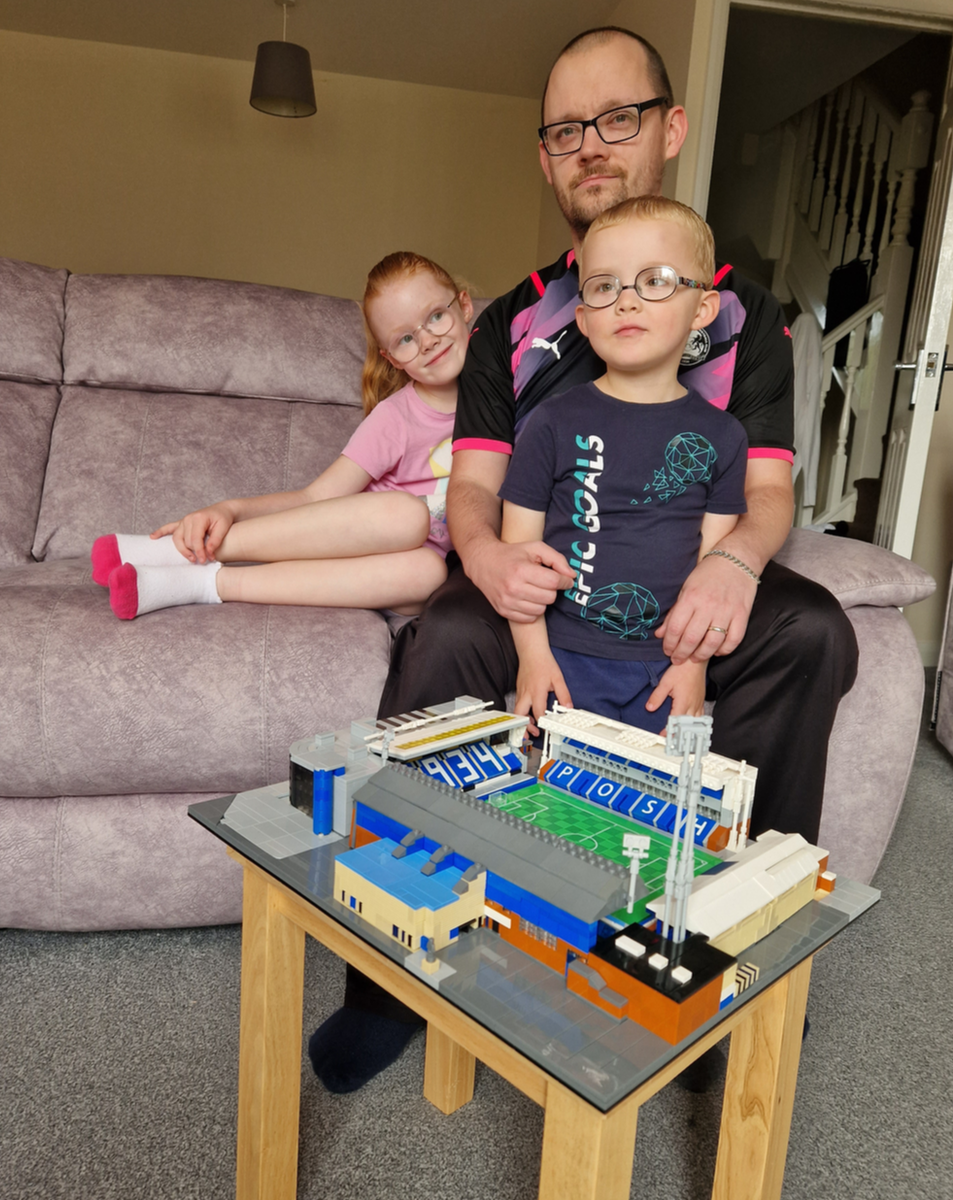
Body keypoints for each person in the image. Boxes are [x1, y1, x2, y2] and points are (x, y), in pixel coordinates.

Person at [309, 25, 858, 1097]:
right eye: (565, 129)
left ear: (670, 127)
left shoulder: (745, 316)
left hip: (688, 555)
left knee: (812, 631)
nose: (590, 145)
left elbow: (765, 493)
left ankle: (716, 972)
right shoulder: (510, 319)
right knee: (444, 635)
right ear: (545, 154)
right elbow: (472, 488)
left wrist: (735, 567)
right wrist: (481, 558)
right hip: (546, 567)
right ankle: (392, 983)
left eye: (617, 118)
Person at [90, 252, 472, 620]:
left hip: (396, 573)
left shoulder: (510, 403)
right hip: (352, 542)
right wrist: (230, 510)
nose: (427, 341)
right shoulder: (397, 416)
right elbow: (316, 497)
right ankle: (183, 552)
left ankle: (207, 583)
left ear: (465, 306)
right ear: (390, 357)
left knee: (429, 572)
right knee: (407, 515)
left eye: (436, 316)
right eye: (405, 339)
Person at [502, 196, 747, 737]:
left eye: (655, 280)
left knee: (655, 815)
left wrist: (693, 666)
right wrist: (533, 658)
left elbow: (713, 571)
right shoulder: (550, 422)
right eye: (606, 286)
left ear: (703, 309)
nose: (627, 302)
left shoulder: (725, 437)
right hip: (565, 659)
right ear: (584, 320)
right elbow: (521, 559)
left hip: (667, 667)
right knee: (553, 812)